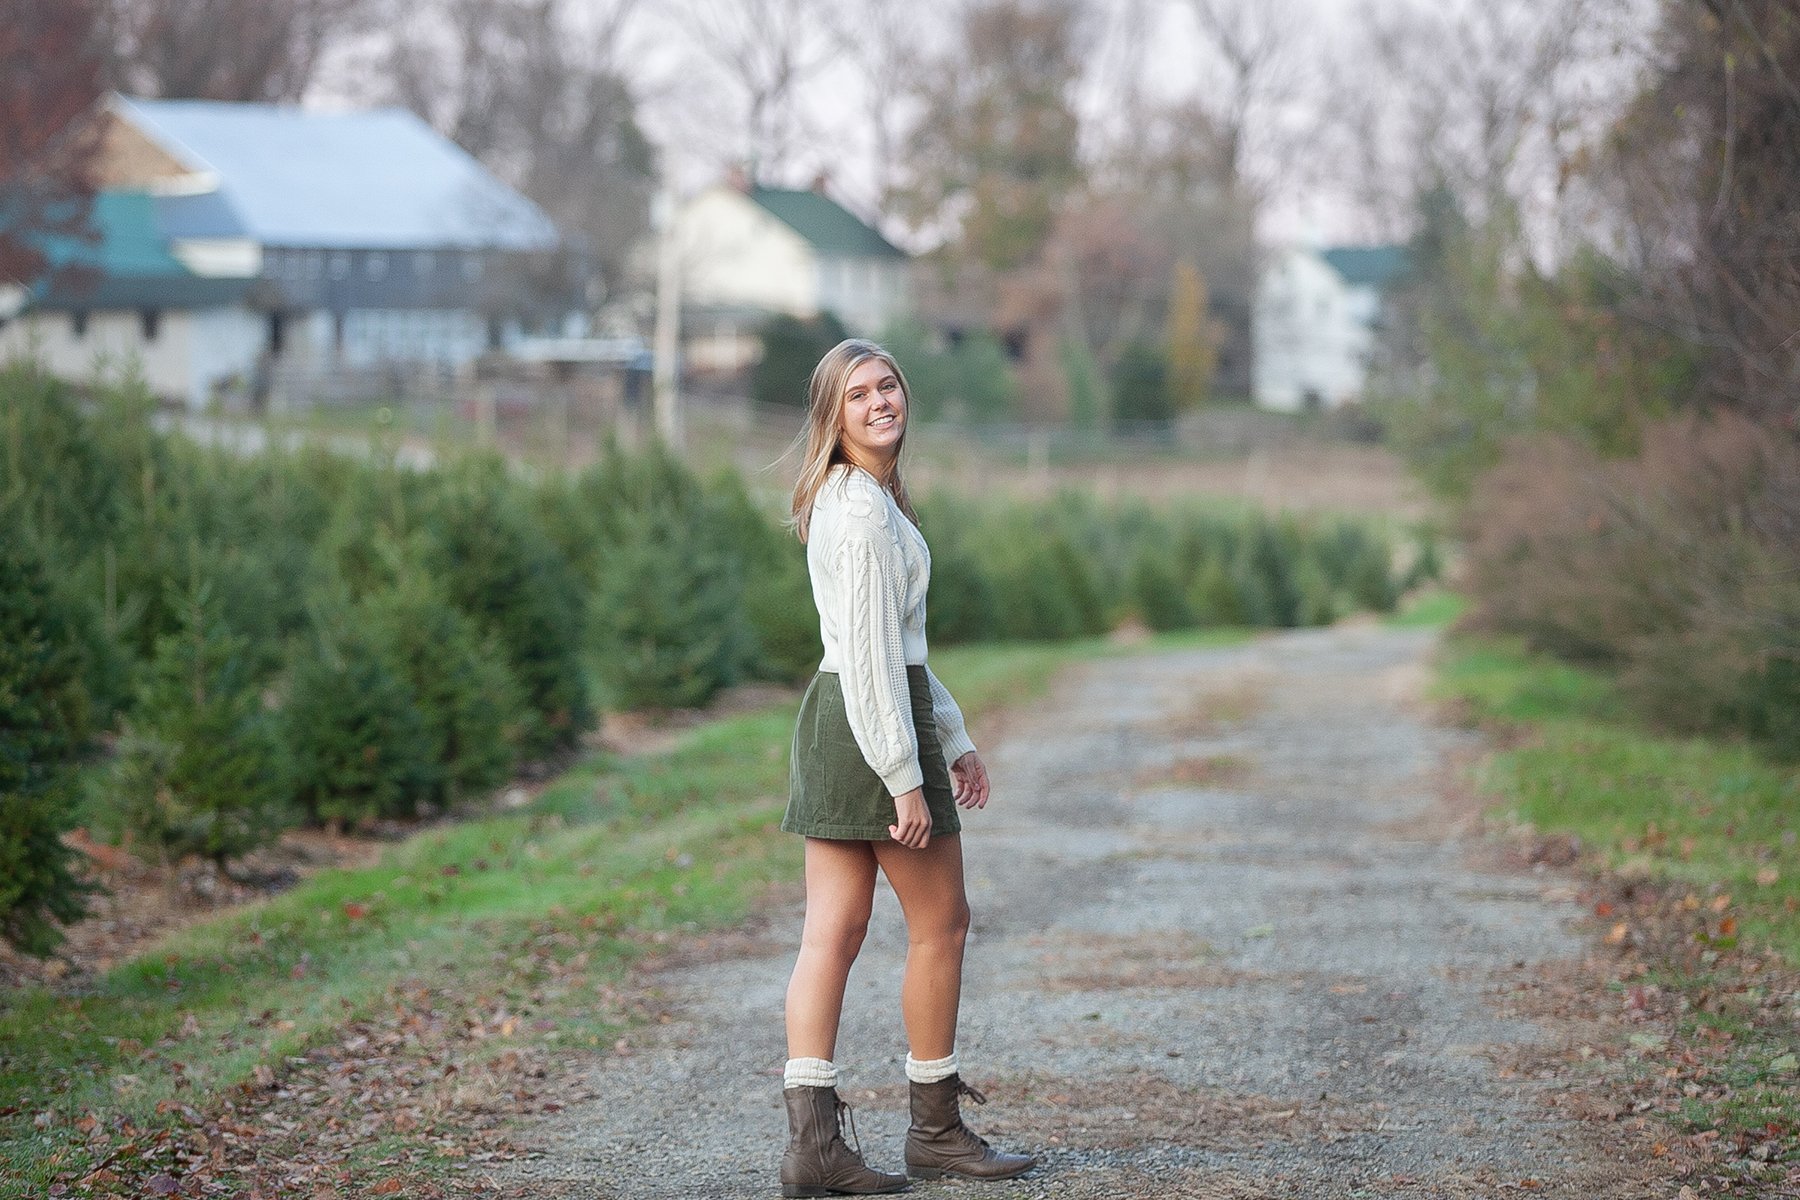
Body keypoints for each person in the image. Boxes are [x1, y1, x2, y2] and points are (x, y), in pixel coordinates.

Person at [776, 338, 1037, 1197]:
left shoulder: (864, 501)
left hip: (841, 717)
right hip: (868, 728)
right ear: (834, 417)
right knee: (942, 924)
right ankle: (935, 1131)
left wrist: (953, 735)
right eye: (858, 395)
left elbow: (894, 649)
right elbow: (878, 664)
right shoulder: (860, 514)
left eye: (888, 385)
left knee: (834, 933)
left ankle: (815, 1149)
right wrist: (903, 771)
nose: (881, 402)